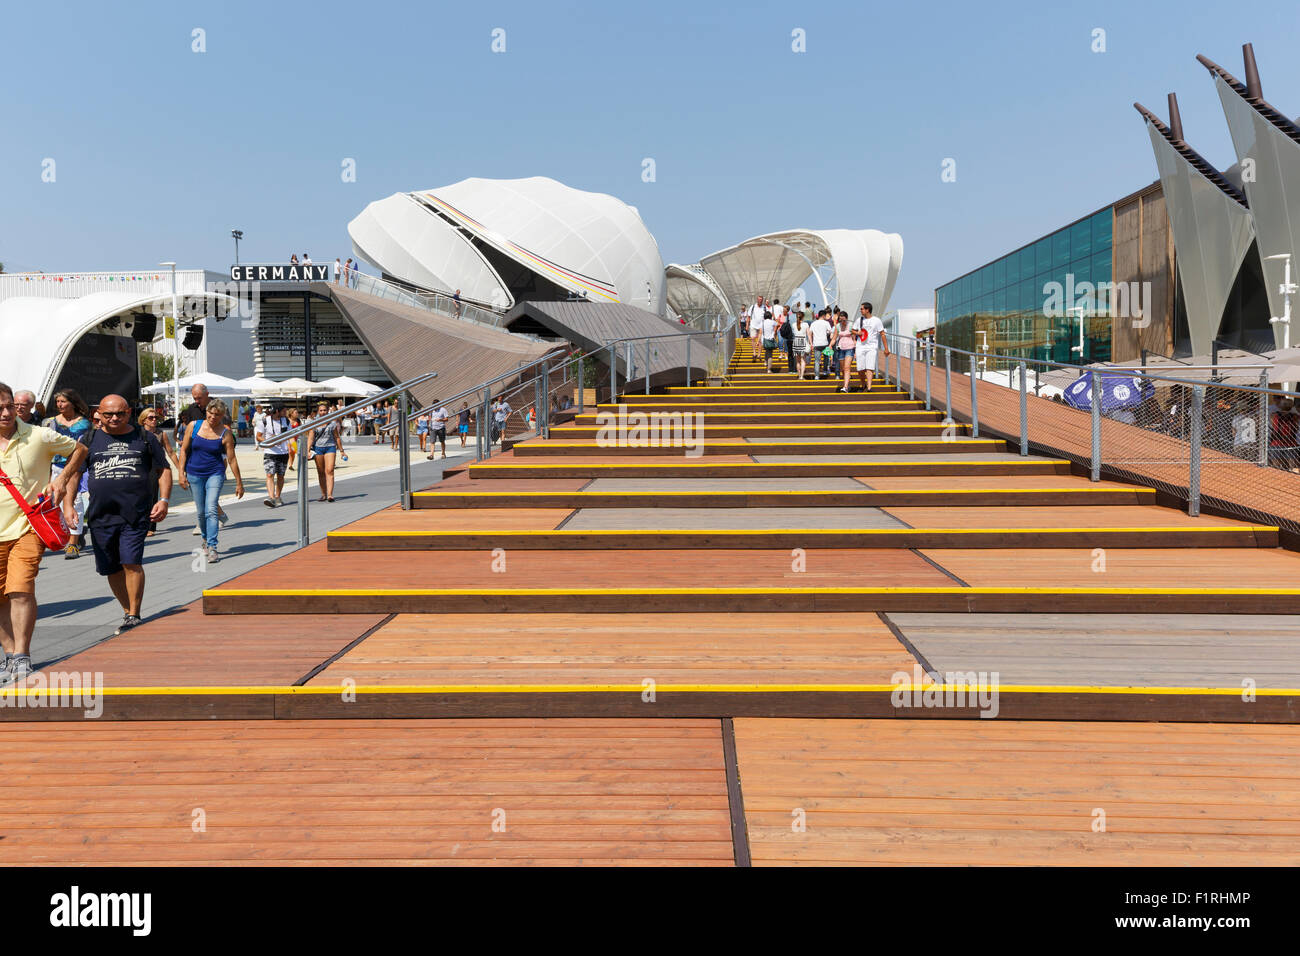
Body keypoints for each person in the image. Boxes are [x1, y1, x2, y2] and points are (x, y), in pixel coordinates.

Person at [0, 381, 87, 684]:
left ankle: (22, 655)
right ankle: (9, 655)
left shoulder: (37, 435)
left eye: (9, 405)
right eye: (0, 408)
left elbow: (80, 449)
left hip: (28, 526)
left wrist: (62, 479)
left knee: (20, 588)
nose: (7, 412)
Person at [64, 394, 171, 636]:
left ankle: (134, 613)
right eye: (108, 414)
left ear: (129, 413)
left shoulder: (144, 438)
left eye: (120, 413)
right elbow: (74, 475)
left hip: (135, 513)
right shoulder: (88, 439)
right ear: (98, 415)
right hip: (101, 515)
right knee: (110, 568)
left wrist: (163, 500)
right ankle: (127, 610)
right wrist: (69, 505)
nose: (114, 418)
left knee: (131, 562)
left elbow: (163, 469)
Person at [178, 398, 244, 563]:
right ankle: (206, 540)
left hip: (215, 473)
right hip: (194, 473)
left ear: (222, 415)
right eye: (210, 413)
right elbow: (184, 451)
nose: (213, 417)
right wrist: (180, 473)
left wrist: (239, 483)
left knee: (211, 509)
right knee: (201, 513)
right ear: (206, 412)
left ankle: (213, 546)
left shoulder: (225, 433)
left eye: (217, 414)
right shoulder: (194, 426)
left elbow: (232, 459)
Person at [44, 388, 93, 558]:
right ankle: (60, 536)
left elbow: (85, 446)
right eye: (57, 402)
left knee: (74, 502)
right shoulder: (49, 422)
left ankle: (73, 542)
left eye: (63, 401)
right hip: (55, 466)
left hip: (75, 467)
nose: (59, 405)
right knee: (52, 502)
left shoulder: (84, 423)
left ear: (73, 402)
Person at [175, 384, 229, 533]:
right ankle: (219, 516)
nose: (197, 401)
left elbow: (228, 430)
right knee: (204, 499)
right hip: (196, 458)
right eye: (194, 398)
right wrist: (182, 470)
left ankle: (209, 527)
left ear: (207, 395)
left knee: (210, 497)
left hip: (216, 452)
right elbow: (187, 437)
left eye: (199, 398)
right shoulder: (192, 410)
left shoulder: (220, 407)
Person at [138, 407, 178, 535]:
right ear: (144, 420)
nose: (154, 420)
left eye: (156, 418)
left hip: (155, 469)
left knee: (152, 496)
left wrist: (180, 469)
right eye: (151, 418)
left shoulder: (161, 434)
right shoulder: (138, 434)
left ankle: (151, 526)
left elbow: (171, 452)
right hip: (139, 468)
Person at [255, 403, 291, 507]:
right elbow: (258, 436)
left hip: (283, 452)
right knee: (270, 474)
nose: (286, 413)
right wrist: (270, 441)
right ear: (277, 411)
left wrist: (294, 448)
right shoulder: (265, 421)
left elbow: (290, 435)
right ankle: (271, 497)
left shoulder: (286, 421)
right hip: (270, 452)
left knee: (280, 476)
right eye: (284, 411)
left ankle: (277, 497)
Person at [307, 401, 342, 502]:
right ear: (318, 411)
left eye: (325, 410)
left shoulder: (332, 422)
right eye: (321, 410)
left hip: (330, 447)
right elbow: (310, 438)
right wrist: (308, 450)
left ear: (328, 411)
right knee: (321, 472)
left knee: (330, 470)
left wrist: (341, 450)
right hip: (318, 448)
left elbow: (337, 437)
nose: (323, 412)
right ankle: (323, 494)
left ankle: (330, 495)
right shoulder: (314, 423)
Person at [854, 302, 889, 393]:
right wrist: (858, 333)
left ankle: (869, 387)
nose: (860, 310)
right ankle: (863, 384)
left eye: (862, 309)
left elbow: (882, 334)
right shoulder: (859, 320)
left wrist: (886, 348)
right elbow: (853, 330)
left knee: (870, 367)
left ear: (867, 310)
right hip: (860, 346)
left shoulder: (876, 320)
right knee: (860, 368)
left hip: (872, 346)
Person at [834, 313, 857, 392]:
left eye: (844, 320)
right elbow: (834, 338)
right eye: (840, 320)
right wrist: (830, 345)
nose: (842, 322)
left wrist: (855, 351)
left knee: (847, 368)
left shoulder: (850, 325)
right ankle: (847, 385)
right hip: (840, 349)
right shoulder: (838, 326)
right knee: (843, 369)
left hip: (849, 348)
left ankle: (845, 387)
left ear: (846, 319)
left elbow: (854, 338)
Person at [808, 310, 833, 380]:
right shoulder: (826, 323)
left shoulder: (813, 323)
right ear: (823, 315)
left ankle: (817, 375)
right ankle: (825, 370)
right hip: (825, 343)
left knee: (817, 360)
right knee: (826, 358)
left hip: (816, 344)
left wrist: (811, 343)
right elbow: (831, 332)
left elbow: (809, 334)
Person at [792, 312, 810, 379]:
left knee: (797, 361)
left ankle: (799, 375)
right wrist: (811, 343)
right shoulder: (806, 324)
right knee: (803, 360)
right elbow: (809, 334)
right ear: (803, 317)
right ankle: (802, 376)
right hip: (803, 341)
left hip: (796, 342)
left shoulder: (793, 324)